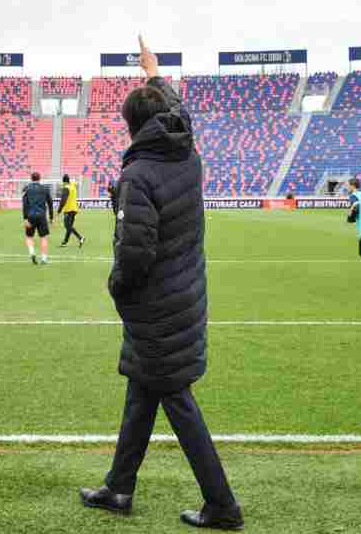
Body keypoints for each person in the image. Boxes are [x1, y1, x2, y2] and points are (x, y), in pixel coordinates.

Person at [79, 36, 242, 531]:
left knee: (176, 400)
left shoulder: (140, 175)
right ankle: (120, 487)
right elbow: (174, 109)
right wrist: (153, 71)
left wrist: (116, 288)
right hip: (185, 295)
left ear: (129, 128)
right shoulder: (184, 151)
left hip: (157, 308)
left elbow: (134, 254)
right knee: (142, 391)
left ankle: (223, 506)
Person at [22, 173, 55, 265]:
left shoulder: (26, 189)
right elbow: (50, 204)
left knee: (29, 237)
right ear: (40, 178)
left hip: (30, 215)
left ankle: (32, 253)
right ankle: (44, 259)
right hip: (41, 216)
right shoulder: (45, 189)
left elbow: (24, 205)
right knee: (43, 237)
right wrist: (51, 217)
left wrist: (25, 218)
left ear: (31, 178)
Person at [58, 174, 85, 248]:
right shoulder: (72, 186)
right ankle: (65, 242)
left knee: (67, 226)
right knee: (69, 226)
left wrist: (59, 210)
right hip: (74, 209)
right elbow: (74, 182)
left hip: (68, 209)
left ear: (64, 181)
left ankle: (80, 237)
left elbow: (63, 200)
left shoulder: (66, 188)